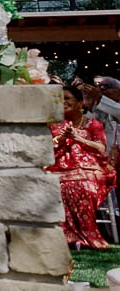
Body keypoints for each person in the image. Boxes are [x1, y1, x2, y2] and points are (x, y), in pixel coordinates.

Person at [48, 82, 117, 249]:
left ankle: (86, 234)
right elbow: (46, 148)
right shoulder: (53, 124)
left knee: (84, 185)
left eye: (67, 98)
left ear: (80, 104)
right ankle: (67, 236)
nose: (63, 102)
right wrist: (61, 139)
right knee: (57, 186)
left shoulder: (93, 124)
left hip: (90, 168)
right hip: (59, 167)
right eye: (59, 99)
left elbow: (101, 148)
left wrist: (79, 138)